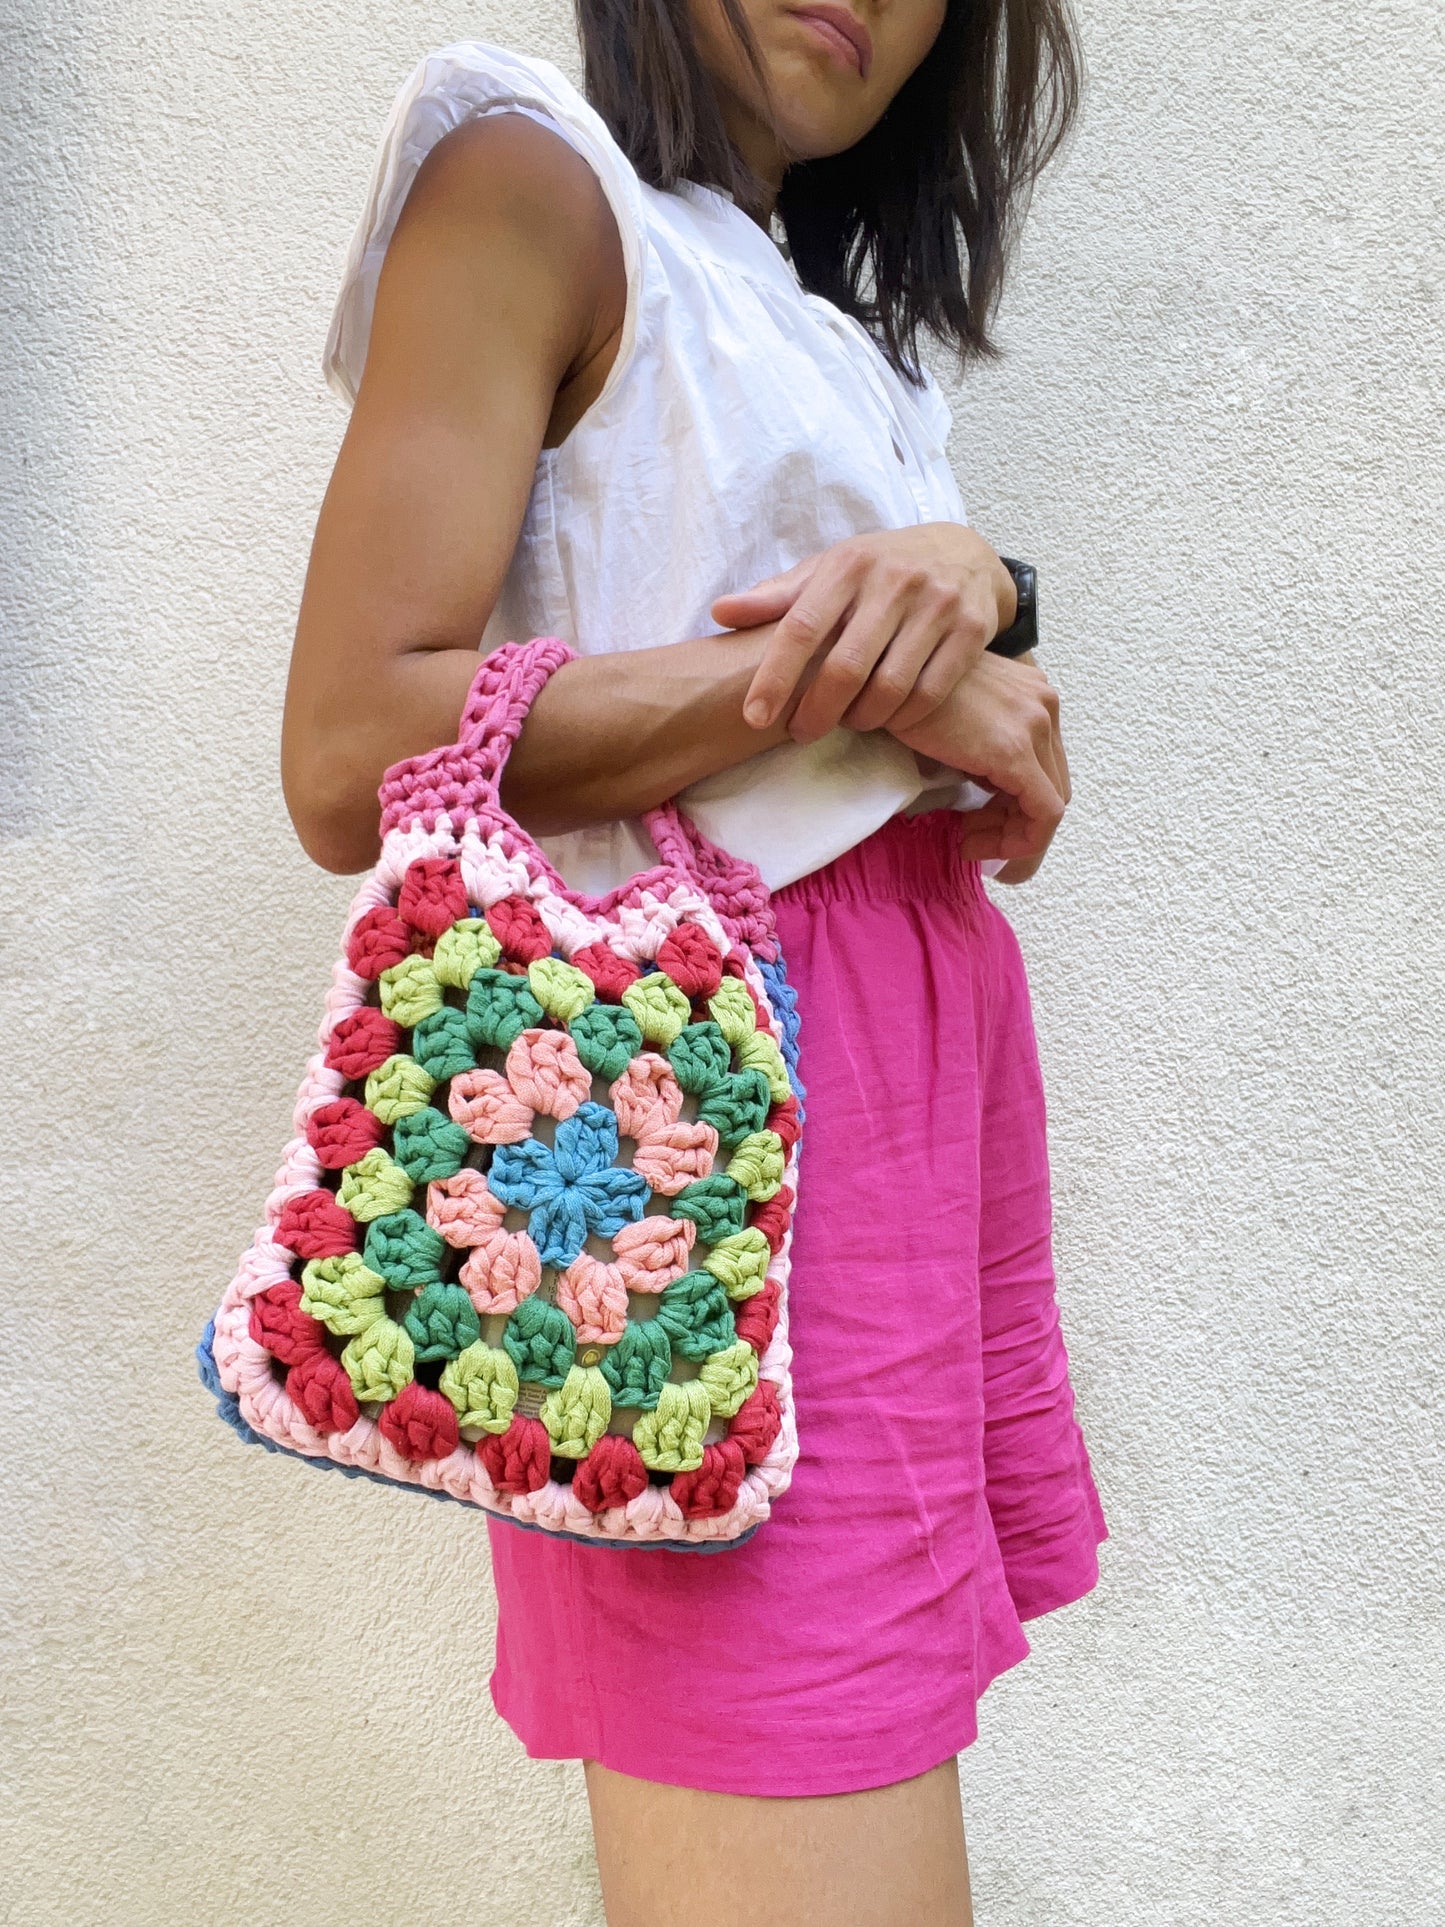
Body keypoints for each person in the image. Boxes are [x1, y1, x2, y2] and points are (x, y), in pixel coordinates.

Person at [282, 2, 1104, 1920]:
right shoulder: (526, 177)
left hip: (893, 1127)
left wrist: (979, 597)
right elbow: (351, 746)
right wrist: (830, 677)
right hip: (706, 1141)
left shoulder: (796, 304)